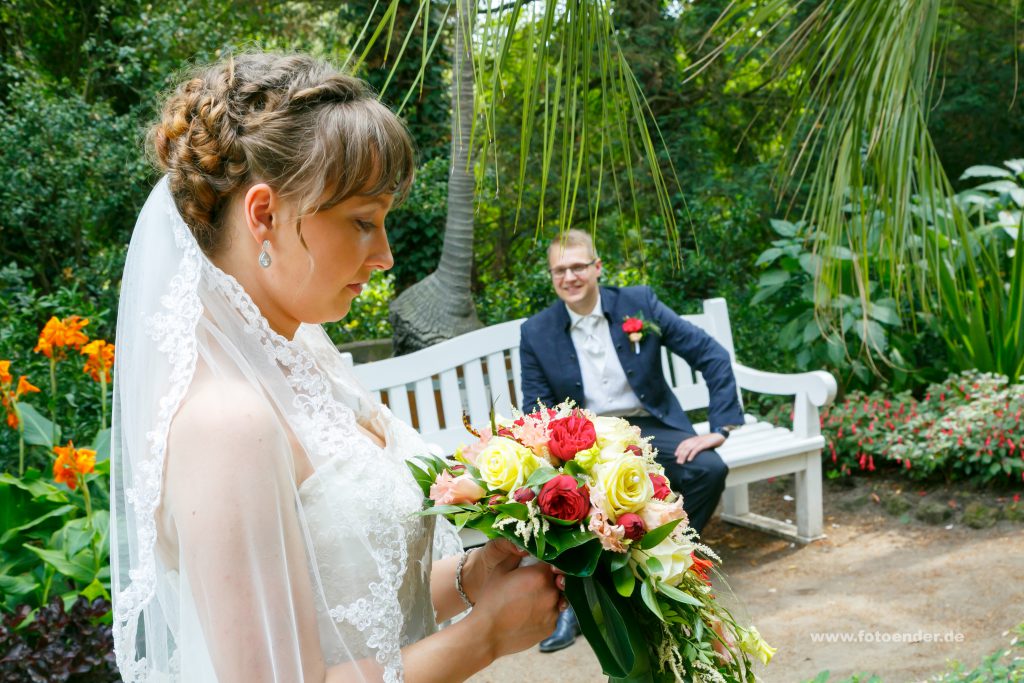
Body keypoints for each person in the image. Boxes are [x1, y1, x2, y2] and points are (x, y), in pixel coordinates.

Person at [110, 52, 564, 683]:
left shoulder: (305, 356)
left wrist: (477, 573)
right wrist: (483, 638)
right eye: (362, 222)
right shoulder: (226, 423)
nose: (384, 256)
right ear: (264, 214)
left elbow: (360, 604)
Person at [518, 229, 745, 652]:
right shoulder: (537, 331)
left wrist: (720, 427)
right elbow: (538, 408)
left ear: (597, 267)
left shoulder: (638, 303)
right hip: (587, 438)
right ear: (552, 277)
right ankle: (580, 603)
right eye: (560, 270)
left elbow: (710, 354)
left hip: (648, 426)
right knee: (562, 495)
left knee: (709, 469)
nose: (570, 276)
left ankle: (659, 566)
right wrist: (564, 455)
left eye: (578, 266)